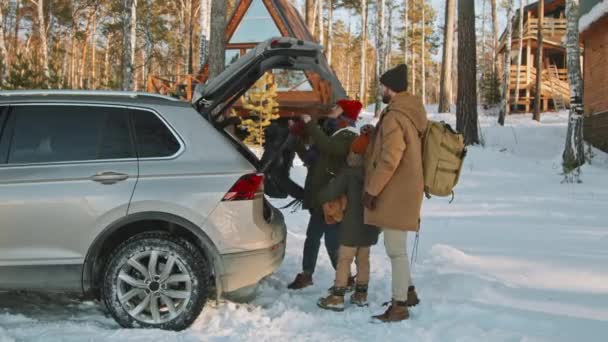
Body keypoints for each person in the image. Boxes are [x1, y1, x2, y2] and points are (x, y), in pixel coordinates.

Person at [363, 64, 427, 322]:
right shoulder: (409, 112)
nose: (380, 91)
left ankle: (399, 305)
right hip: (406, 188)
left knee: (395, 250)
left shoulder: (394, 117)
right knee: (397, 247)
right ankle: (408, 292)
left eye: (382, 86)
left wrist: (372, 190)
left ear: (390, 88)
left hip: (395, 190)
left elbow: (390, 158)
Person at [287, 100, 362, 290]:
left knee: (331, 240)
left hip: (333, 198)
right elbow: (313, 160)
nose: (332, 110)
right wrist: (297, 141)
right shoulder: (332, 131)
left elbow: (329, 148)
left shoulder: (349, 135)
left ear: (345, 114)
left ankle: (345, 278)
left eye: (337, 108)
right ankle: (306, 274)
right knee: (312, 236)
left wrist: (310, 123)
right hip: (319, 196)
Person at [316, 134, 380, 312]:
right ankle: (361, 295)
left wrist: (321, 197)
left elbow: (328, 193)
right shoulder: (374, 173)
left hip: (351, 227)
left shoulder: (348, 174)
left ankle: (337, 297)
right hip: (370, 225)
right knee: (363, 259)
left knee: (344, 260)